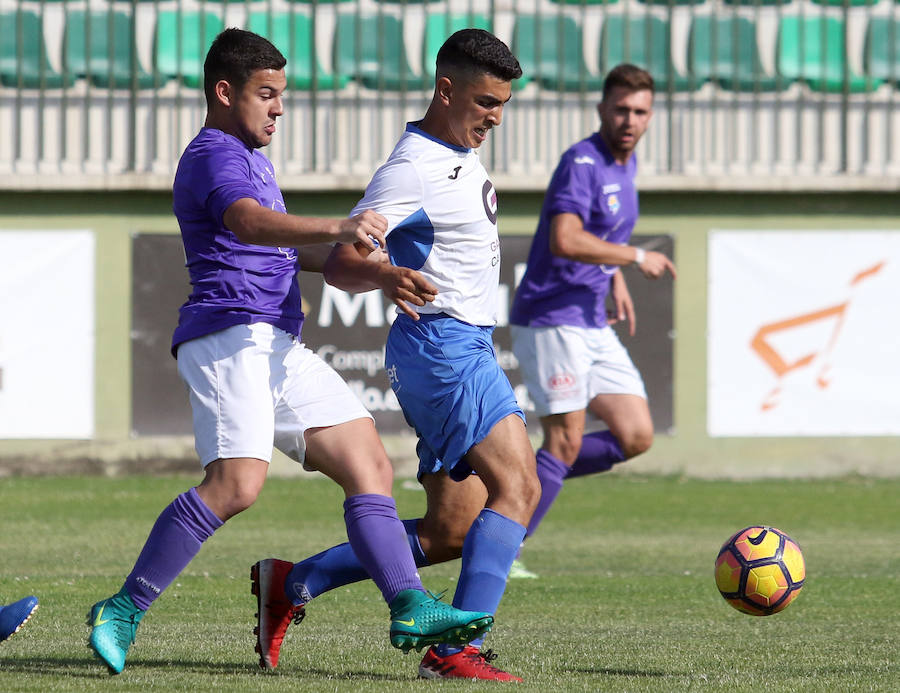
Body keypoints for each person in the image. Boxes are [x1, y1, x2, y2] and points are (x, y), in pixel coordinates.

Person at [85, 28, 493, 676]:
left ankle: (409, 602)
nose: (279, 107)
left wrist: (382, 274)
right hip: (230, 338)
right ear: (224, 93)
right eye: (266, 94)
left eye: (282, 94)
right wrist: (338, 224)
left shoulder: (251, 157)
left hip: (274, 342)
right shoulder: (215, 153)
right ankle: (122, 607)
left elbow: (275, 243)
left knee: (368, 462)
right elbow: (248, 223)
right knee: (236, 485)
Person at [250, 29, 539, 682]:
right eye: (487, 101)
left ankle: (292, 581)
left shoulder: (455, 151)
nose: (496, 116)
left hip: (454, 347)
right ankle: (451, 654)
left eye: (503, 104)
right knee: (520, 486)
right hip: (444, 348)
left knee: (452, 532)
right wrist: (383, 276)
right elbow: (351, 257)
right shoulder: (414, 166)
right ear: (446, 89)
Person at [507, 63, 677, 579]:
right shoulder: (582, 161)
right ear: (603, 109)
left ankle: (511, 485)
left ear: (651, 116)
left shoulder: (627, 165)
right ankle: (502, 544)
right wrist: (630, 258)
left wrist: (612, 275)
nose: (630, 119)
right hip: (553, 317)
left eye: (640, 111)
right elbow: (565, 238)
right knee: (565, 442)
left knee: (636, 435)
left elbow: (596, 238)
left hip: (589, 317)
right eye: (621, 109)